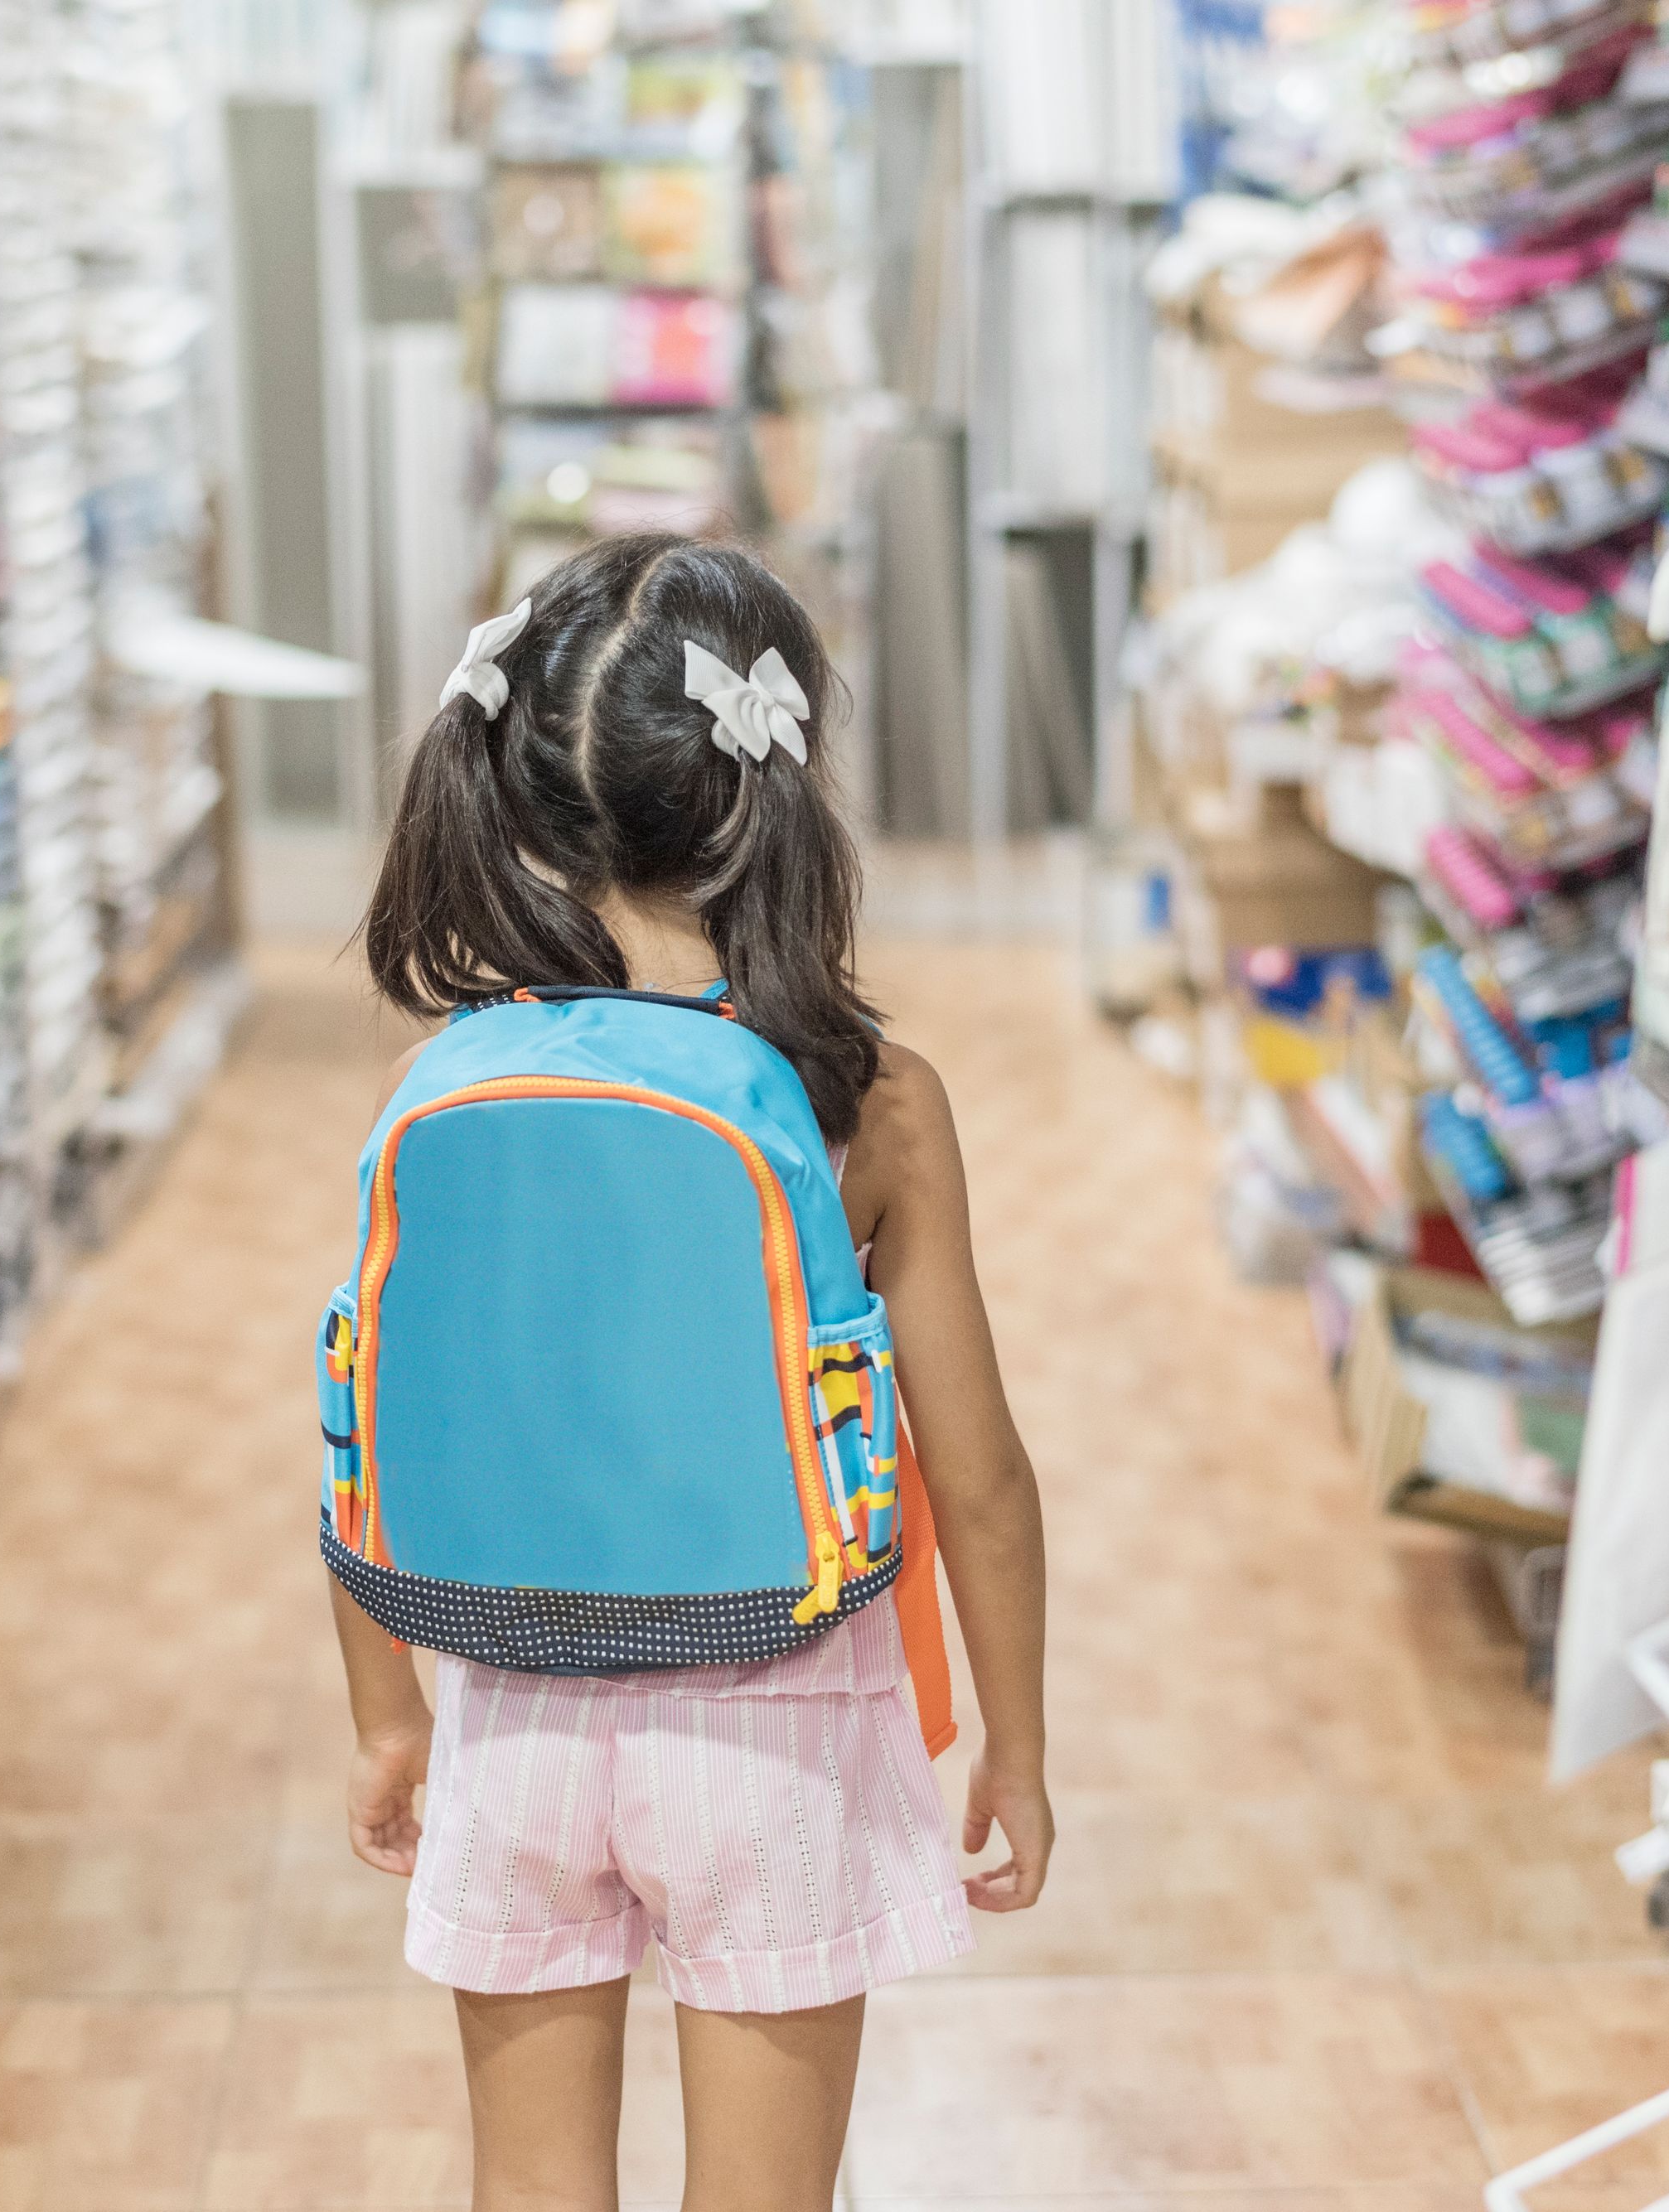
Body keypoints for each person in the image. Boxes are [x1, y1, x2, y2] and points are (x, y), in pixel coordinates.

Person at [324, 532, 1053, 2212]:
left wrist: (382, 1714)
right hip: (778, 1726)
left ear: (505, 796)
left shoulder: (447, 1075)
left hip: (506, 1705)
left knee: (530, 2193)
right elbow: (982, 1479)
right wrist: (1011, 1746)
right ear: (770, 793)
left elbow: (373, 1402)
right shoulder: (866, 1099)